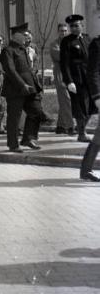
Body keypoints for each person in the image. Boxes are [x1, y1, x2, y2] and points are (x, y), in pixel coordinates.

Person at [0, 23, 43, 153]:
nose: (26, 37)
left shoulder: (23, 49)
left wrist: (35, 85)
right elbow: (10, 70)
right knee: (14, 117)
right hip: (15, 89)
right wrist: (21, 84)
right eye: (23, 34)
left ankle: (28, 138)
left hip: (30, 88)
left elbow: (28, 69)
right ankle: (13, 144)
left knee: (36, 112)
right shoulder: (8, 50)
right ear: (15, 36)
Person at [60, 14, 92, 142]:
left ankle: (84, 129)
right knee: (80, 105)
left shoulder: (87, 38)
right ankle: (81, 133)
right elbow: (64, 63)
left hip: (89, 77)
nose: (73, 28)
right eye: (71, 26)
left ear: (82, 26)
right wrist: (69, 81)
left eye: (76, 25)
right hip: (76, 78)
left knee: (90, 105)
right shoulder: (67, 41)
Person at [81, 33, 100, 181]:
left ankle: (86, 169)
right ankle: (86, 169)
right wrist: (97, 97)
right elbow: (92, 73)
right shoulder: (97, 44)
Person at [49, 23, 74, 134]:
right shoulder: (54, 44)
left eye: (65, 30)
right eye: (61, 31)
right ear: (58, 32)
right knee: (67, 100)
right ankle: (70, 126)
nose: (63, 33)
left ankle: (60, 126)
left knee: (65, 101)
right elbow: (60, 56)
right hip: (60, 75)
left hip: (70, 75)